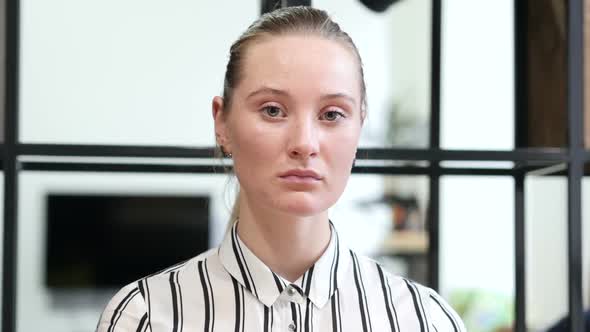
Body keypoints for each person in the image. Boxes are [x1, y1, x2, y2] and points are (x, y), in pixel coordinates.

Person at [96, 6, 466, 332]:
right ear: (222, 123)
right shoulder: (144, 317)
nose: (304, 143)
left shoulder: (423, 319)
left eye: (332, 114)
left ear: (359, 127)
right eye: (272, 110)